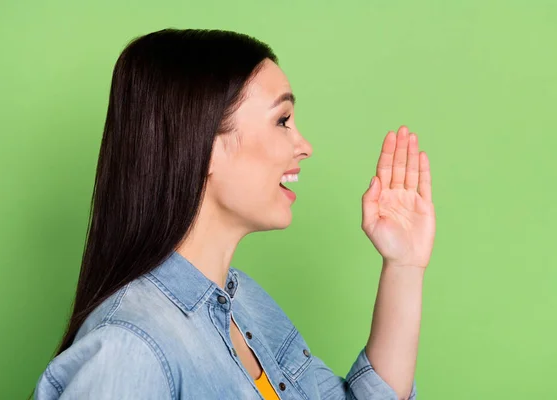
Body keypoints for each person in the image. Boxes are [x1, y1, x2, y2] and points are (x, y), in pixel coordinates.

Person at [32, 28, 435, 399]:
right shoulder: (131, 348)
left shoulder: (245, 304)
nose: (304, 145)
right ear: (205, 147)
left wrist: (403, 266)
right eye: (283, 121)